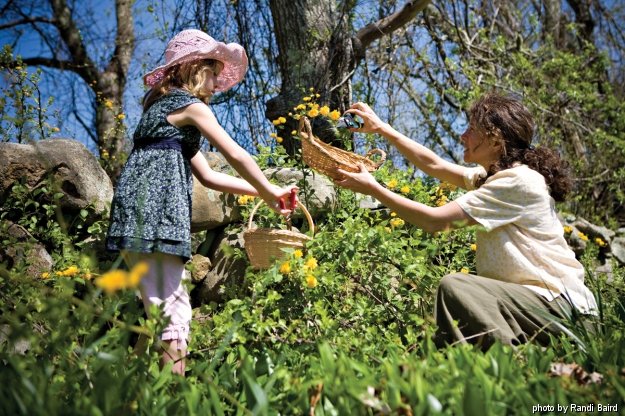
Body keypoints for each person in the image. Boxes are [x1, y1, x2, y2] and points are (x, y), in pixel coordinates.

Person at [333, 93, 597, 350]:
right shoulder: (498, 177)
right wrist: (382, 128)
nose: (463, 136)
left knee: (456, 287)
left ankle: (519, 367)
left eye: (472, 130)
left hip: (562, 309)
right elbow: (435, 165)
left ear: (495, 140)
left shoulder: (518, 181)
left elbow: (435, 221)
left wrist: (374, 189)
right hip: (535, 305)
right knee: (440, 340)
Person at [106, 29, 296, 374]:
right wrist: (271, 189)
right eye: (212, 73)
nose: (216, 84)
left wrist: (264, 195)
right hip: (155, 212)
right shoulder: (188, 105)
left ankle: (126, 396)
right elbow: (235, 155)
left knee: (159, 311)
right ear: (192, 68)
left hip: (141, 211)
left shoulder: (164, 112)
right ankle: (173, 400)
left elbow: (209, 176)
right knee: (173, 310)